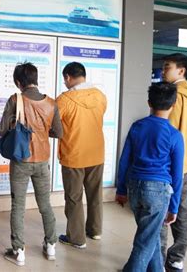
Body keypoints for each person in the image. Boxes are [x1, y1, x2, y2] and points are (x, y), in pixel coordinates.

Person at [0, 62, 63, 266]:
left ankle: (18, 252)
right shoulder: (51, 103)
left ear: (19, 82)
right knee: (45, 205)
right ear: (35, 79)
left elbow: (1, 130)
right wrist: (42, 132)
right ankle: (51, 245)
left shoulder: (15, 99)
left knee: (18, 206)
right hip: (43, 160)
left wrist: (15, 126)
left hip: (21, 160)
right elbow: (59, 133)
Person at [116, 82, 183, 272]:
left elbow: (124, 160)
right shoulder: (174, 134)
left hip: (135, 187)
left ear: (149, 103)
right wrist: (174, 206)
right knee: (144, 242)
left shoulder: (137, 127)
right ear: (174, 104)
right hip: (158, 192)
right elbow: (177, 175)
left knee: (149, 235)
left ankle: (156, 269)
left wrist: (121, 190)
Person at [55, 62, 107, 249]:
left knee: (74, 197)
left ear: (68, 77)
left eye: (64, 79)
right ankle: (95, 230)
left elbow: (53, 125)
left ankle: (76, 238)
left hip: (74, 155)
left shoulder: (64, 100)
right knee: (95, 194)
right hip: (97, 153)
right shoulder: (100, 96)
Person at [160, 53, 187, 272]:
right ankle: (176, 258)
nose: (162, 71)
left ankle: (157, 259)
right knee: (182, 209)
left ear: (181, 71)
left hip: (170, 164)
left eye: (167, 67)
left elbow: (166, 132)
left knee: (162, 210)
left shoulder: (174, 95)